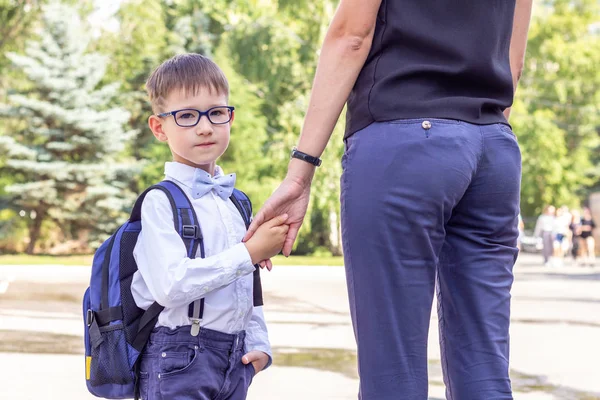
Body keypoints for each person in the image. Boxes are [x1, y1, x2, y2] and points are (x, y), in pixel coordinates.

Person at [245, 0, 534, 398]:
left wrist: (301, 170)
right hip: (493, 149)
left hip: (404, 137)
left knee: (392, 371)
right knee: (484, 364)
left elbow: (351, 36)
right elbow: (512, 64)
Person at [131, 53, 288, 400]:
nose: (205, 126)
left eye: (217, 112)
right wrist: (248, 253)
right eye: (187, 116)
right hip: (178, 359)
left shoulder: (236, 203)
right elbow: (171, 286)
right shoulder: (161, 202)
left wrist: (259, 345)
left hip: (235, 359)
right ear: (159, 127)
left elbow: (248, 284)